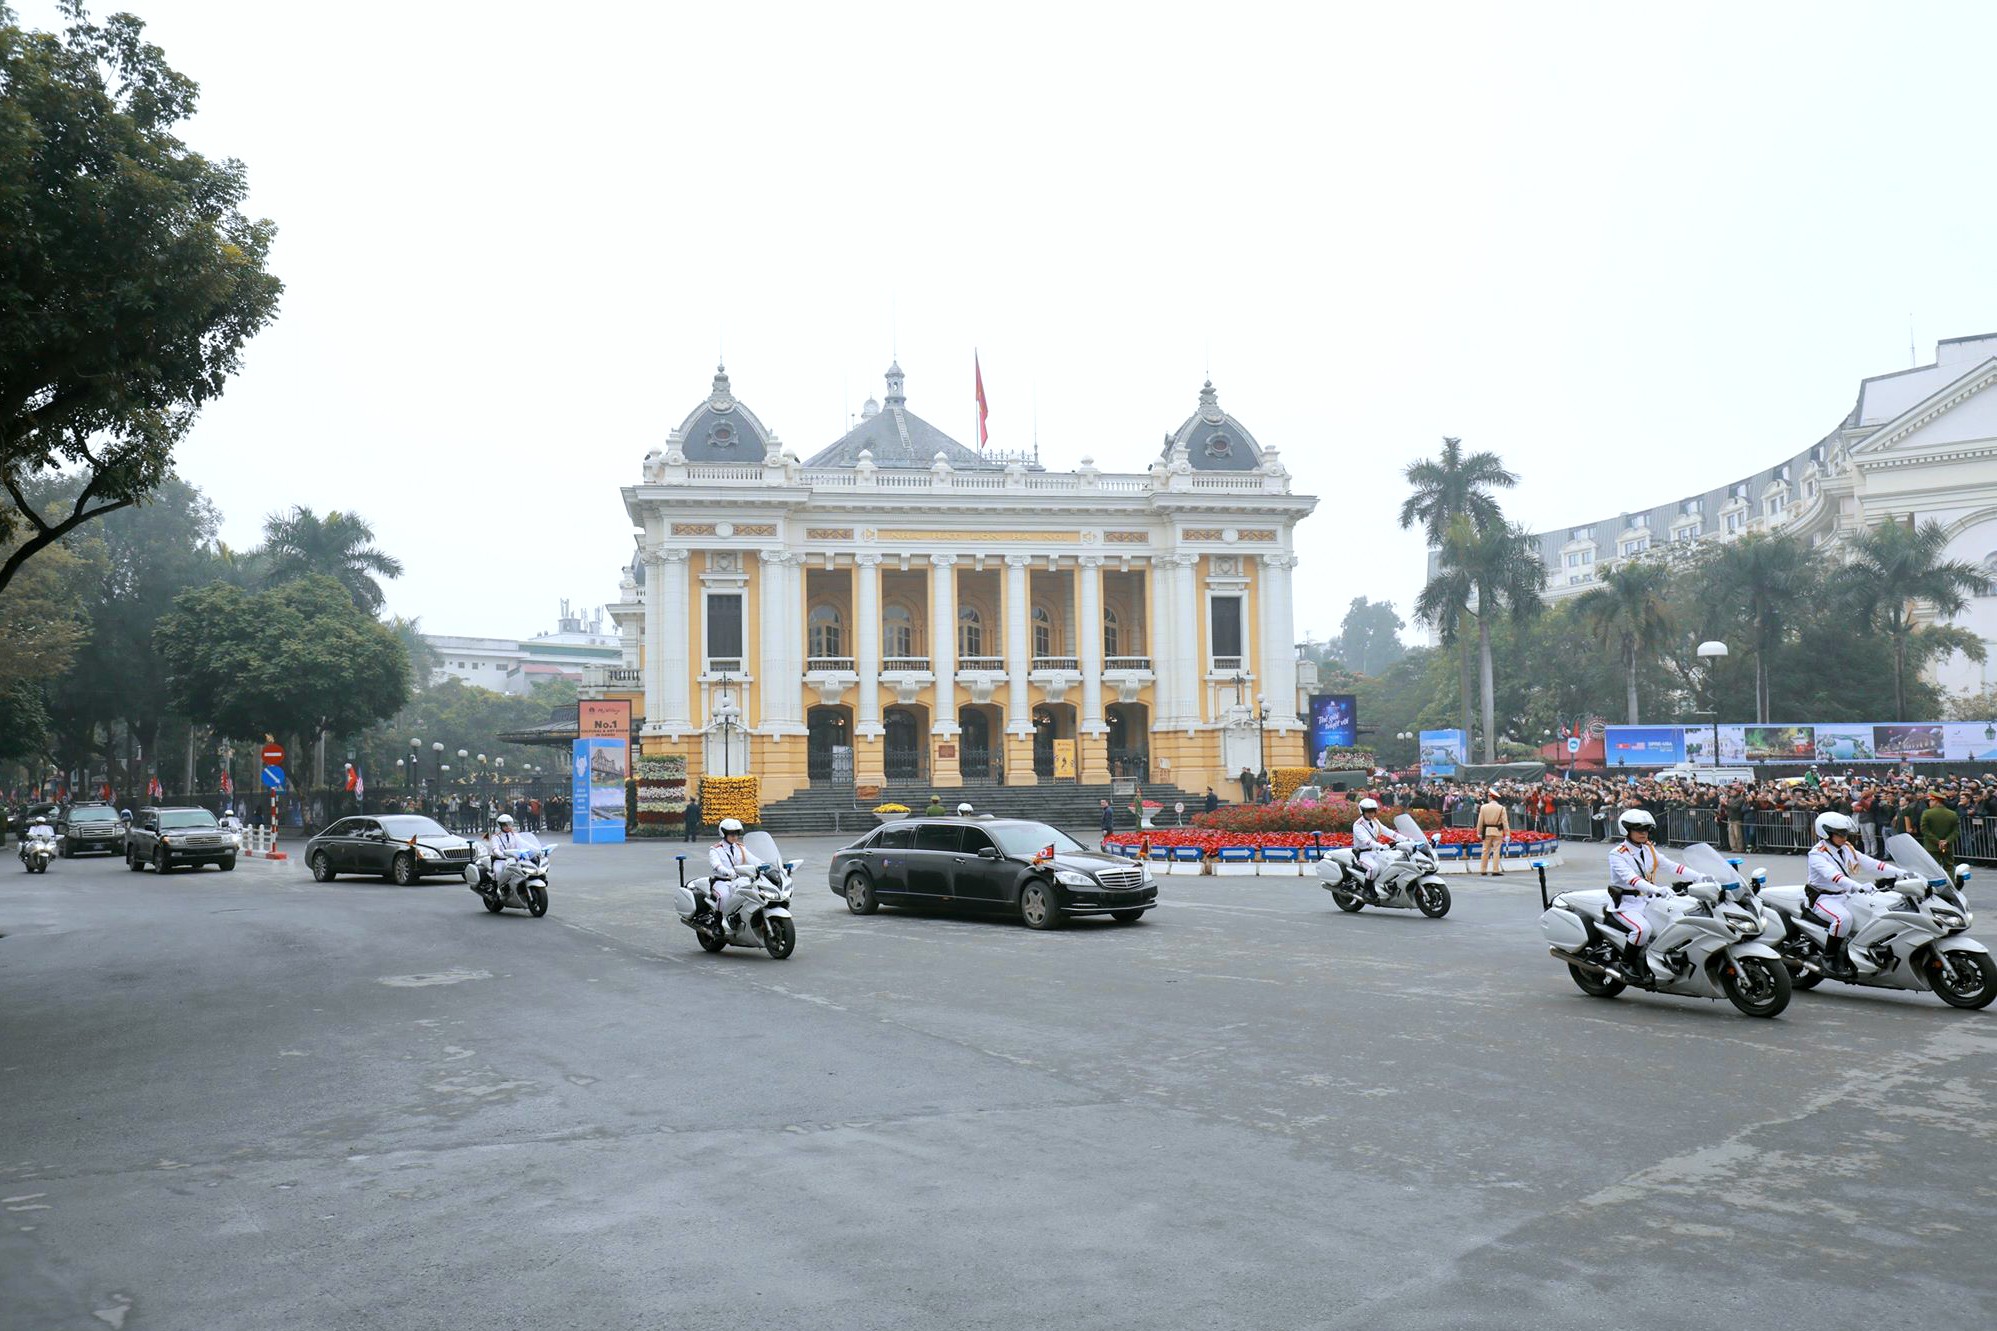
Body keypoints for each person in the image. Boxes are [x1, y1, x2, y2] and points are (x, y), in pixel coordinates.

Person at [1605, 809, 1700, 974]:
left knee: (1676, 921)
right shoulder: (1617, 854)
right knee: (1642, 930)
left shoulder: (1648, 849)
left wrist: (1699, 876)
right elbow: (1632, 879)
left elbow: (1671, 866)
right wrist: (1657, 889)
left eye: (1646, 829)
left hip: (1648, 901)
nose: (1643, 833)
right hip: (1627, 904)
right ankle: (1625, 964)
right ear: (1627, 831)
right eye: (1638, 829)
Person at [1805, 811, 1894, 974]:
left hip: (1844, 895)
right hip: (1824, 897)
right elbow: (1835, 877)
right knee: (1843, 919)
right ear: (1826, 833)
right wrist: (1858, 886)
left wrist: (1902, 873)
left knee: (1877, 909)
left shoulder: (1846, 849)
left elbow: (1874, 865)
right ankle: (1829, 957)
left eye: (1845, 832)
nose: (1844, 836)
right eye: (1839, 833)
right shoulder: (1817, 854)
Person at [706, 817, 756, 931]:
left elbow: (754, 860)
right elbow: (716, 865)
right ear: (724, 834)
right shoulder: (716, 849)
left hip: (739, 881)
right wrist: (727, 871)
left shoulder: (741, 847)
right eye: (731, 833)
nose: (734, 836)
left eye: (736, 833)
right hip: (721, 881)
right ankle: (717, 924)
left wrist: (767, 867)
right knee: (724, 897)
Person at [1350, 798, 1403, 897]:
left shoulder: (1375, 821)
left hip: (1375, 852)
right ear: (1362, 811)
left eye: (1373, 811)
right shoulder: (1358, 825)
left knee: (1392, 863)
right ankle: (1366, 891)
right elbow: (1367, 841)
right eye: (1368, 811)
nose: (1371, 814)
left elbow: (1389, 832)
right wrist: (1381, 846)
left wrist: (1406, 839)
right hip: (1363, 854)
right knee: (1374, 868)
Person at [1919, 790, 1960, 876]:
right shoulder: (1953, 814)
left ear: (1936, 801)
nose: (1929, 803)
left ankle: (1935, 887)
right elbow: (1955, 831)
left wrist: (1938, 841)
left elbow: (1924, 830)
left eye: (1930, 800)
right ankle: (1951, 885)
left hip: (1932, 846)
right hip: (1947, 846)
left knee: (1932, 868)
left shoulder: (1927, 813)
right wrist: (1946, 841)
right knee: (1949, 867)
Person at [1475, 790, 1509, 876]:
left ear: (1491, 797)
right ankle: (1495, 870)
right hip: (1497, 832)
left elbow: (1480, 821)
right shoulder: (1501, 808)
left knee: (1485, 851)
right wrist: (1507, 834)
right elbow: (1505, 822)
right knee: (1496, 851)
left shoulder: (1483, 807)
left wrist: (1479, 832)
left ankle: (1483, 869)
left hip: (1487, 831)